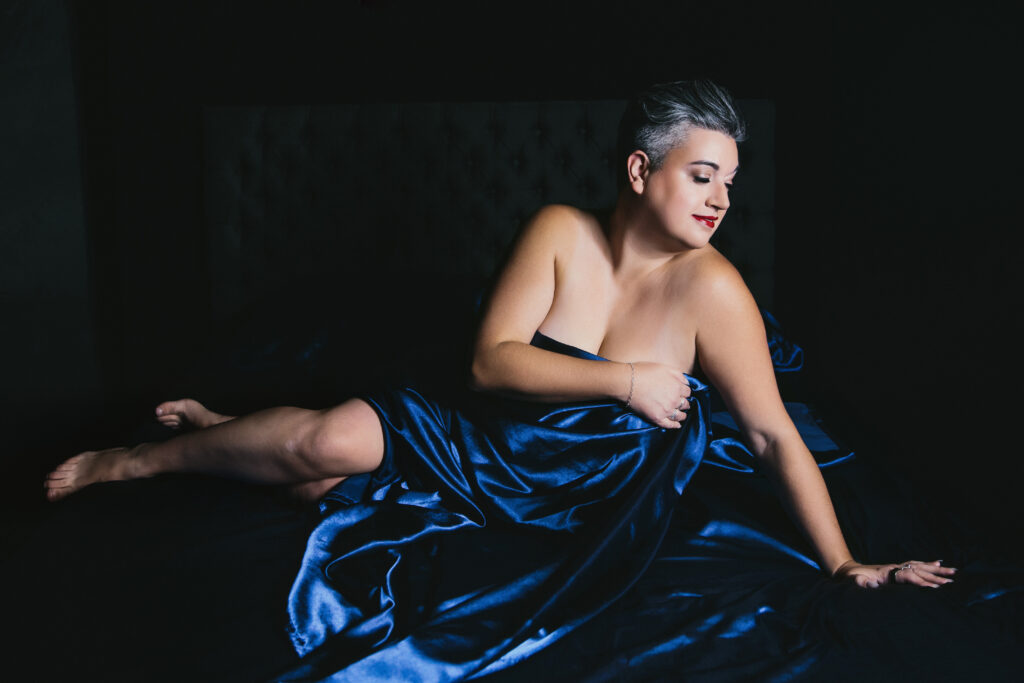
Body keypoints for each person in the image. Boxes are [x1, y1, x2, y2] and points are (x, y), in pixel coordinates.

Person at [43, 81, 954, 667]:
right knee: (324, 443)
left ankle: (216, 432)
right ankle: (137, 461)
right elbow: (489, 363)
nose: (721, 200)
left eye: (730, 184)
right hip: (471, 434)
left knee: (317, 476)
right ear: (641, 170)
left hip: (569, 493)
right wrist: (626, 380)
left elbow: (770, 434)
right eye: (702, 175)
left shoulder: (713, 289)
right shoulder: (560, 231)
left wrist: (844, 564)